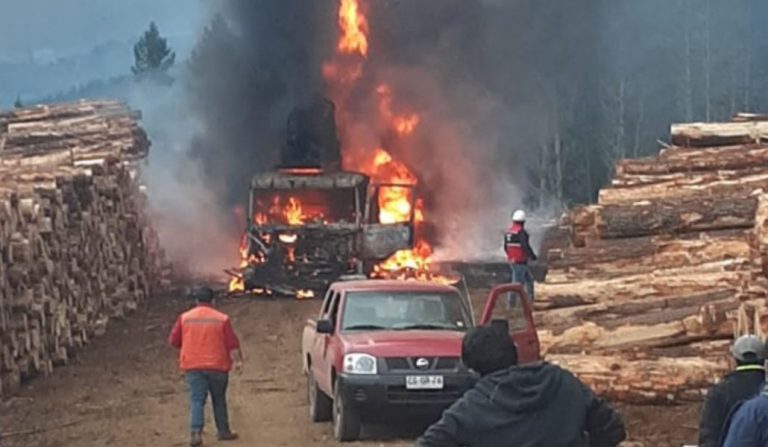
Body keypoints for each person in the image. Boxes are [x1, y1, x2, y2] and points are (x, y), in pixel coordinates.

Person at [414, 325, 626, 447]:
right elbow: (612, 428)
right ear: (515, 352)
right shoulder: (561, 381)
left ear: (471, 367)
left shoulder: (469, 409)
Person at [168, 287, 244, 447]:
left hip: (193, 366)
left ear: (196, 301)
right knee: (219, 400)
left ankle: (196, 433)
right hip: (218, 366)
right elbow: (232, 344)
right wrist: (238, 362)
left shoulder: (185, 318)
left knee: (196, 400)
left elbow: (174, 341)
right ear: (213, 301)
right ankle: (223, 431)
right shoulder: (222, 319)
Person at [701, 335, 767, 447]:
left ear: (734, 360)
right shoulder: (762, 389)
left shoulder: (719, 392)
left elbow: (709, 435)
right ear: (763, 359)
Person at [504, 209, 537, 302]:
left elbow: (505, 247)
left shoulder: (509, 233)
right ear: (523, 222)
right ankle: (511, 304)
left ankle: (531, 300)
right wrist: (532, 256)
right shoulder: (521, 233)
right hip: (520, 262)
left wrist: (511, 257)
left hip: (513, 261)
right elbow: (525, 246)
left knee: (529, 280)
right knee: (516, 284)